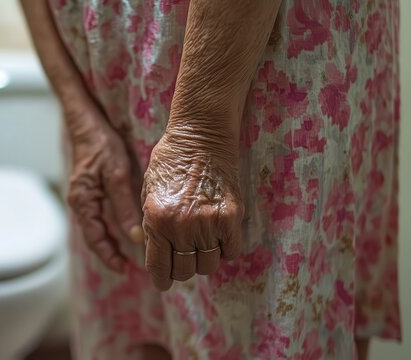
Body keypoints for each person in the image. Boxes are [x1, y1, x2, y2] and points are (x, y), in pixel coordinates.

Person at [21, 0, 401, 359]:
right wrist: (78, 114)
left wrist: (199, 130)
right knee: (130, 331)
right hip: (102, 79)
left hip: (242, 62)